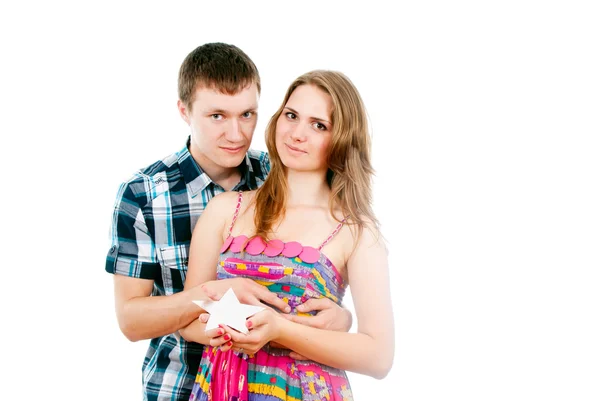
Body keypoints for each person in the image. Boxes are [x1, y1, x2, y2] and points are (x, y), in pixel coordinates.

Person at [105, 43, 352, 401]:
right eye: (217, 116)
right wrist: (212, 295)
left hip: (272, 387)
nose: (236, 134)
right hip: (178, 384)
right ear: (184, 111)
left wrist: (342, 319)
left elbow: (319, 271)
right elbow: (130, 320)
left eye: (247, 114)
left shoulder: (279, 175)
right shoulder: (143, 195)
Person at [180, 70, 394, 400]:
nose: (296, 133)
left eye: (318, 125)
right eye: (291, 116)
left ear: (341, 139)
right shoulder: (226, 209)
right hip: (224, 387)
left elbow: (378, 356)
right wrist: (247, 327)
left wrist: (280, 329)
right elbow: (188, 319)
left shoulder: (356, 231)